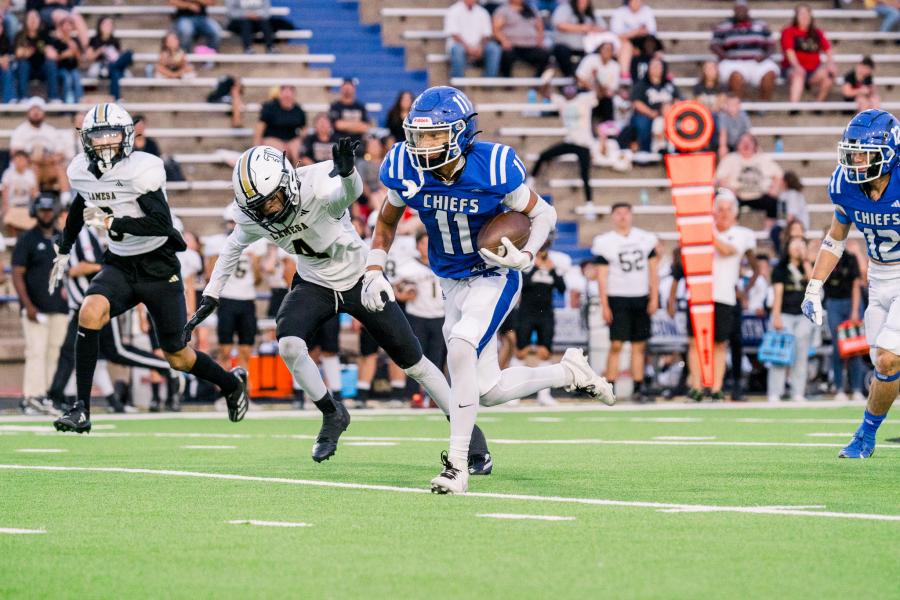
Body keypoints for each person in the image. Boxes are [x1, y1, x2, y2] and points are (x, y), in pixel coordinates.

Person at [183, 140, 495, 472]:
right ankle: (332, 413)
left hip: (360, 278)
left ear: (288, 181)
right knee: (288, 344)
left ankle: (471, 438)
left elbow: (347, 195)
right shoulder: (254, 213)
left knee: (415, 362)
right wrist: (211, 295)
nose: (268, 211)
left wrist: (348, 173)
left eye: (271, 200)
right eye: (259, 206)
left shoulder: (315, 185)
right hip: (314, 282)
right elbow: (232, 247)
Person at [367, 86, 615, 494]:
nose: (424, 146)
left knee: (460, 349)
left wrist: (527, 254)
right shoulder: (404, 167)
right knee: (488, 390)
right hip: (450, 281)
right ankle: (569, 371)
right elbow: (387, 220)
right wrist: (375, 267)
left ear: (461, 133)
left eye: (435, 135)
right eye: (420, 136)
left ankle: (457, 466)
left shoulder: (493, 166)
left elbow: (543, 213)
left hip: (493, 273)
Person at [49, 103, 250, 434]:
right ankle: (81, 408)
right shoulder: (81, 171)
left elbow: (161, 225)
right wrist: (64, 246)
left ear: (127, 137)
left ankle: (230, 383)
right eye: (98, 137)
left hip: (158, 265)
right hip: (120, 263)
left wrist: (112, 223)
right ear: (86, 140)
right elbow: (81, 202)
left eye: (112, 135)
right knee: (90, 311)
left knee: (177, 356)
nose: (105, 143)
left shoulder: (140, 170)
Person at [802, 109, 900, 458]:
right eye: (853, 153)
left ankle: (865, 435)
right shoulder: (845, 185)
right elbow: (835, 239)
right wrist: (814, 286)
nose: (856, 161)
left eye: (865, 154)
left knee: (889, 360)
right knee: (883, 365)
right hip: (878, 278)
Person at [46, 221, 177, 413]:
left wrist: (71, 272)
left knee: (117, 352)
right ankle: (55, 398)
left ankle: (166, 367)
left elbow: (93, 265)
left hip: (97, 304)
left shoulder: (83, 235)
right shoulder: (63, 238)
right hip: (80, 307)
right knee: (70, 353)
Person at [686, 189, 757, 401]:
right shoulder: (705, 231)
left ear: (735, 213)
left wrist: (704, 231)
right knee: (695, 342)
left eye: (728, 209)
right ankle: (696, 387)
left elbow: (728, 251)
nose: (724, 213)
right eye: (720, 209)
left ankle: (716, 387)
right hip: (699, 294)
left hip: (724, 295)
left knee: (720, 343)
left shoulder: (742, 234)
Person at [593, 203, 658, 403]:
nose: (622, 217)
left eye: (626, 213)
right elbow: (601, 277)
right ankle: (609, 387)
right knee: (616, 344)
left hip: (640, 296)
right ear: (613, 216)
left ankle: (638, 387)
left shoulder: (645, 239)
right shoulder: (605, 242)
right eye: (618, 213)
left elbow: (653, 271)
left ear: (632, 215)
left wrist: (654, 297)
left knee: (639, 345)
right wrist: (605, 305)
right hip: (617, 297)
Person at [11, 194, 69, 415]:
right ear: (35, 212)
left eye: (49, 210)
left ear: (55, 212)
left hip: (60, 307)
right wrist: (27, 305)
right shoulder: (27, 239)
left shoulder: (62, 238)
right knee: (36, 352)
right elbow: (17, 274)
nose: (46, 214)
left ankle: (48, 397)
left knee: (54, 353)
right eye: (42, 210)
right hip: (35, 308)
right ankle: (31, 397)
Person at [202, 206, 263, 372]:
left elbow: (258, 279)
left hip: (247, 300)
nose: (233, 226)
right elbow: (209, 277)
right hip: (227, 300)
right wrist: (214, 260)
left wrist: (255, 262)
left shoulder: (254, 244)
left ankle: (244, 385)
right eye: (231, 222)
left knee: (246, 349)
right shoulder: (218, 244)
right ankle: (224, 384)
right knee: (225, 349)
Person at [393, 230, 447, 400]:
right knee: (416, 357)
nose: (426, 246)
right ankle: (412, 394)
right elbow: (394, 285)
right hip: (417, 316)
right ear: (417, 246)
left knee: (437, 357)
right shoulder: (408, 266)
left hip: (439, 315)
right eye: (423, 243)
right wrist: (402, 294)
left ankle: (434, 397)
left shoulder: (443, 263)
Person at [515, 244, 567, 406]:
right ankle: (514, 394)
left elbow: (562, 288)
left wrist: (552, 270)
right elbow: (523, 284)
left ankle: (544, 395)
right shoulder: (526, 264)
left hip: (545, 315)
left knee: (545, 353)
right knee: (521, 352)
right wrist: (536, 267)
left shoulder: (553, 265)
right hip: (526, 313)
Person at [530, 82, 597, 206]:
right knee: (544, 155)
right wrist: (546, 80)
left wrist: (594, 79)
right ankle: (531, 181)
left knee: (585, 174)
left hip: (584, 144)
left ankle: (589, 203)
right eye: (567, 89)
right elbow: (543, 92)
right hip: (570, 141)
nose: (569, 92)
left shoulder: (584, 99)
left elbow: (601, 93)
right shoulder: (561, 101)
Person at [768, 237, 814, 402]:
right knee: (780, 354)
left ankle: (798, 392)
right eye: (794, 244)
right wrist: (776, 317)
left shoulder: (808, 266)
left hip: (803, 315)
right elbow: (777, 295)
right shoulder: (780, 269)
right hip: (785, 314)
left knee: (801, 354)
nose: (797, 248)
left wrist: (806, 261)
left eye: (801, 245)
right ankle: (775, 391)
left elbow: (814, 284)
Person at [710, 0, 777, 101]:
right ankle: (738, 105)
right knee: (735, 76)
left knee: (769, 74)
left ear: (747, 10)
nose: (740, 12)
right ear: (734, 11)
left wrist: (764, 56)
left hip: (758, 61)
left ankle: (764, 105)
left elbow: (771, 44)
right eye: (738, 9)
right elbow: (714, 44)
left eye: (742, 9)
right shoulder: (724, 25)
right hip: (733, 61)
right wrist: (726, 56)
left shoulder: (761, 24)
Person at [715, 132, 783, 230]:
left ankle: (769, 232)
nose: (746, 144)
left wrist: (774, 189)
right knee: (725, 199)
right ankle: (731, 230)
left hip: (759, 195)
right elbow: (720, 178)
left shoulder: (763, 159)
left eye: (749, 142)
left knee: (773, 202)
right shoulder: (730, 159)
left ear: (754, 145)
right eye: (742, 142)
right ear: (738, 145)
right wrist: (729, 189)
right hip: (737, 195)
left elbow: (778, 175)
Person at [823, 250, 865, 403]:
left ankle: (857, 389)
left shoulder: (850, 258)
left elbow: (856, 285)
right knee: (838, 347)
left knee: (855, 347)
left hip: (850, 302)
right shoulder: (824, 257)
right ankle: (839, 388)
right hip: (833, 303)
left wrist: (855, 310)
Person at [10, 96, 70, 194]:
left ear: (44, 113)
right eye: (33, 110)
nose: (36, 113)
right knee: (34, 168)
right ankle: (35, 199)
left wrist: (47, 159)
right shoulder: (20, 131)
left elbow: (61, 153)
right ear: (28, 113)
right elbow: (15, 153)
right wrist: (34, 159)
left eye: (39, 110)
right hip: (29, 167)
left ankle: (66, 199)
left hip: (48, 166)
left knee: (60, 168)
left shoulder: (51, 130)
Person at [780, 4, 835, 105]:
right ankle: (794, 107)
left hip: (813, 70)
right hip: (792, 68)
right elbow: (789, 51)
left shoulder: (817, 32)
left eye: (807, 14)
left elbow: (828, 50)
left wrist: (830, 64)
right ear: (796, 17)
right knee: (798, 74)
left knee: (829, 76)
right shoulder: (789, 31)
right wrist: (797, 66)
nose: (804, 16)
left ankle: (818, 105)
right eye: (801, 14)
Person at [630, 56, 680, 157]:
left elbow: (677, 100)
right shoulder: (642, 84)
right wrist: (651, 113)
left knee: (679, 122)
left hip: (668, 115)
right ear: (648, 68)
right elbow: (636, 102)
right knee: (643, 123)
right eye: (653, 66)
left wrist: (671, 110)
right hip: (647, 114)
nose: (656, 69)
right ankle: (645, 151)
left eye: (658, 66)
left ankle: (672, 149)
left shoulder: (669, 84)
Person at [492, 0, 550, 78]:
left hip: (530, 46)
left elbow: (540, 27)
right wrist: (504, 41)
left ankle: (537, 80)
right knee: (505, 55)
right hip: (512, 46)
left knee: (544, 54)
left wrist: (540, 40)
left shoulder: (531, 9)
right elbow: (496, 29)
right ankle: (507, 80)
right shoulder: (503, 10)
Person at [444, 0, 500, 79]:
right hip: (460, 46)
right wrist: (468, 48)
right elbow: (454, 34)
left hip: (479, 46)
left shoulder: (482, 12)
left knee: (494, 48)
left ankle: (489, 80)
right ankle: (458, 81)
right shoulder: (453, 10)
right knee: (457, 49)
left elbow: (486, 34)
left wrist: (481, 47)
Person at [255, 84, 306, 166]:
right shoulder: (270, 107)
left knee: (297, 150)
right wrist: (257, 146)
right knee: (280, 152)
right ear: (280, 95)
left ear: (293, 95)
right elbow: (260, 127)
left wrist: (300, 142)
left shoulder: (298, 110)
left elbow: (303, 129)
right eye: (285, 96)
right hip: (272, 139)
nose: (287, 98)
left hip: (291, 140)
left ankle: (298, 171)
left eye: (289, 96)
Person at [551, 0, 604, 79]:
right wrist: (581, 28)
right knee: (561, 51)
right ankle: (571, 77)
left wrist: (591, 28)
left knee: (600, 51)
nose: (583, 2)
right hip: (566, 46)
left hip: (586, 48)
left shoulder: (590, 13)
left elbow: (603, 28)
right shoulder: (565, 9)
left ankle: (588, 78)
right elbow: (559, 25)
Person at [14, 9, 59, 101]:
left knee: (51, 64)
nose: (33, 21)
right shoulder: (20, 35)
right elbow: (17, 53)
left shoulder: (44, 35)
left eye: (35, 18)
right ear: (26, 21)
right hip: (27, 70)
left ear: (39, 21)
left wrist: (47, 51)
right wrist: (25, 53)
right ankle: (23, 98)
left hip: (42, 69)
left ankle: (53, 98)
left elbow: (53, 55)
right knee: (23, 64)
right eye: (30, 18)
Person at [85, 16, 133, 102]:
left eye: (110, 24)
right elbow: (89, 57)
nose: (108, 26)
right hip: (100, 66)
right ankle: (116, 99)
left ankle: (110, 67)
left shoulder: (115, 40)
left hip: (111, 66)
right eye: (106, 24)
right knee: (115, 73)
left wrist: (114, 55)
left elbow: (119, 56)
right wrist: (99, 51)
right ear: (100, 25)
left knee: (129, 53)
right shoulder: (94, 40)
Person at [328, 79, 370, 156]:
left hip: (358, 142)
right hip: (339, 141)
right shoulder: (335, 106)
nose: (347, 91)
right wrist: (357, 125)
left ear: (354, 89)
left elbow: (364, 127)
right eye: (345, 88)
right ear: (341, 89)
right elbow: (337, 125)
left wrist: (346, 124)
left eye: (349, 89)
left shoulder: (360, 106)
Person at [2, 150, 39, 233]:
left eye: (22, 159)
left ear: (26, 161)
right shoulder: (8, 173)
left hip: (26, 207)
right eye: (17, 159)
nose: (19, 162)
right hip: (12, 206)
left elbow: (35, 193)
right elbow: (5, 192)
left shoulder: (30, 174)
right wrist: (5, 206)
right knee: (9, 221)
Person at [52, 16, 82, 104]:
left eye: (69, 25)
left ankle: (78, 102)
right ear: (61, 27)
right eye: (65, 25)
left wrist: (75, 51)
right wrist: (65, 54)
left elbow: (79, 60)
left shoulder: (75, 41)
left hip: (73, 68)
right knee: (67, 78)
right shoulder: (56, 42)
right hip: (61, 69)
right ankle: (66, 102)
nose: (67, 27)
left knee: (76, 77)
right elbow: (54, 59)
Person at [716, 93, 751, 157]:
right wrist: (723, 146)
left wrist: (751, 145)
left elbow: (748, 132)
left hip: (739, 143)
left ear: (739, 106)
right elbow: (723, 133)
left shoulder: (743, 115)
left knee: (751, 146)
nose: (732, 107)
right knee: (722, 149)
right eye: (730, 105)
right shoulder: (723, 116)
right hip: (728, 143)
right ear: (726, 105)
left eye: (735, 104)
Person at [0, 17, 15, 103]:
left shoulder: (6, 39)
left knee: (7, 70)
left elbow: (12, 54)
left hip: (3, 68)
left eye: (0, 25)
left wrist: (7, 58)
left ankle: (8, 101)